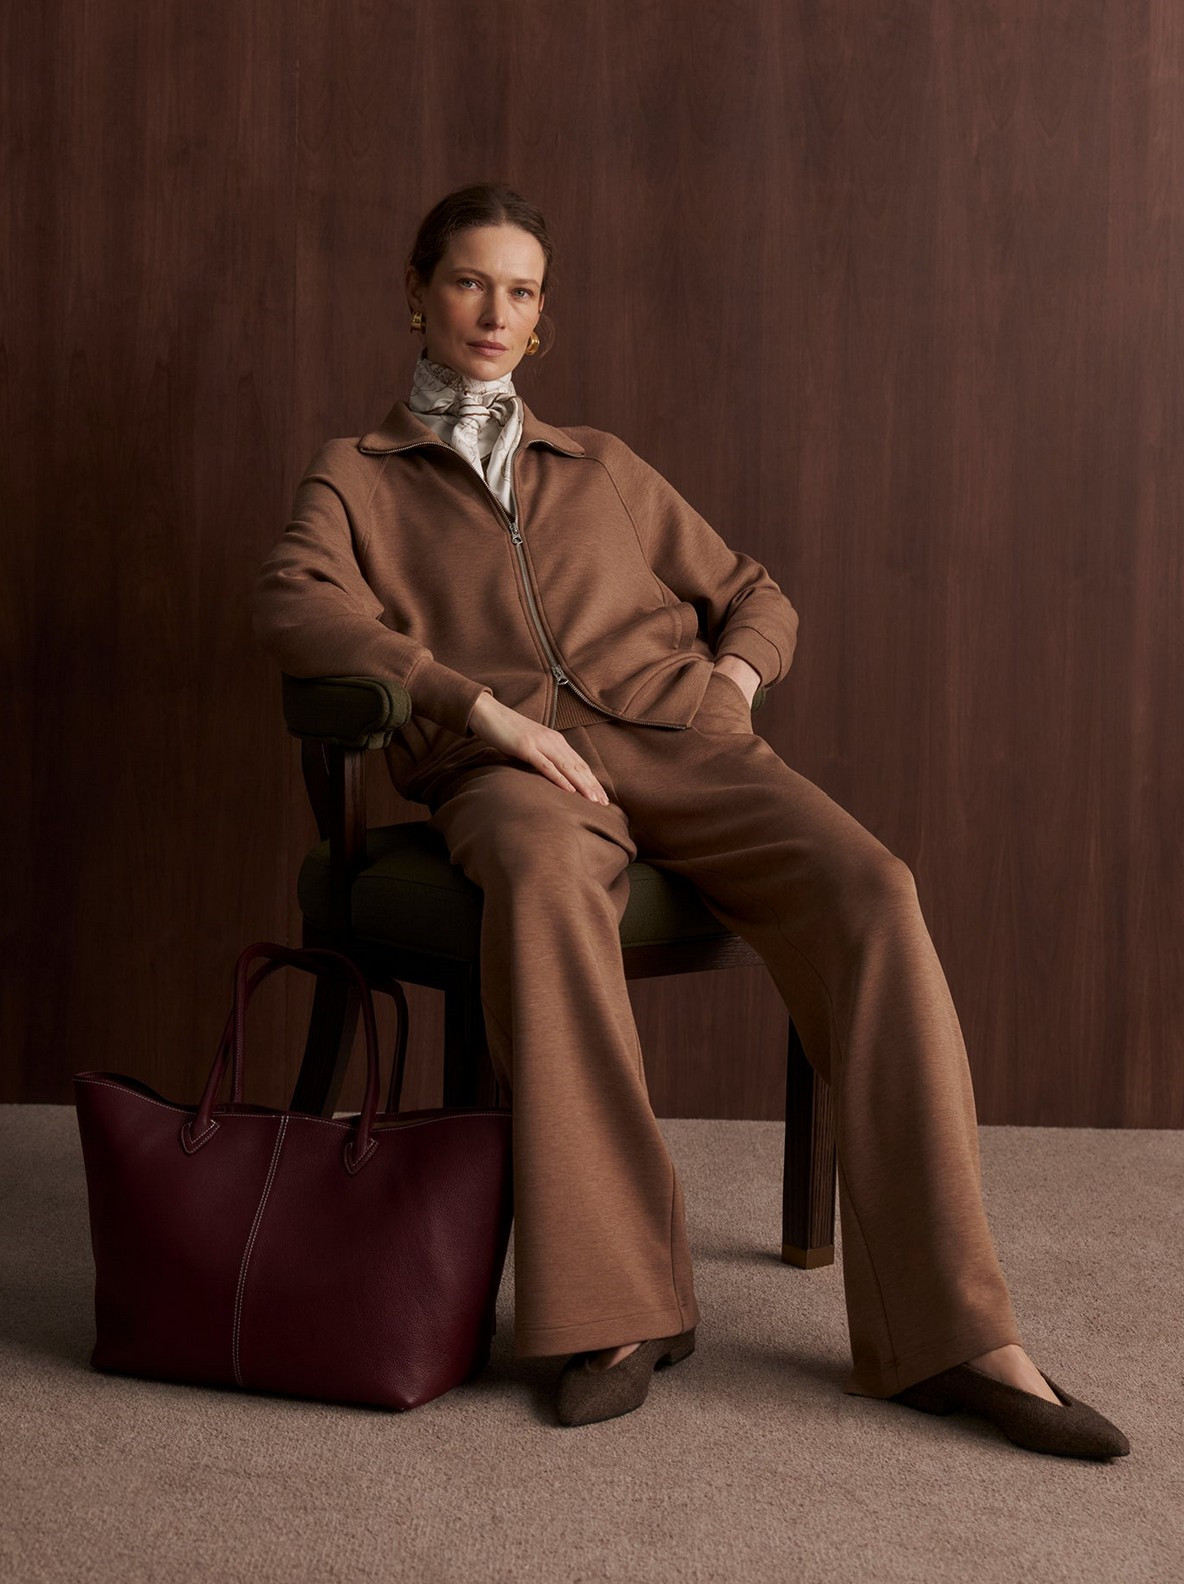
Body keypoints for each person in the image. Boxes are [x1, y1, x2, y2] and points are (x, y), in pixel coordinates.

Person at [251, 183, 1129, 1458]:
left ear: (541, 317)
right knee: (542, 889)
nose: (494, 312)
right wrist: (478, 713)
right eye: (470, 282)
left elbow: (754, 594)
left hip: (682, 741)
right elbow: (293, 606)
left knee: (871, 887)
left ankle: (952, 1333)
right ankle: (619, 1309)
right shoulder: (357, 476)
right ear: (417, 293)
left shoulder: (596, 464)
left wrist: (726, 693)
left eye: (520, 291)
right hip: (511, 774)